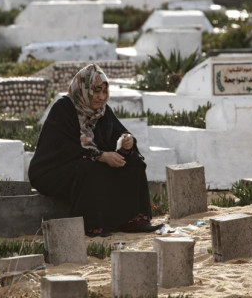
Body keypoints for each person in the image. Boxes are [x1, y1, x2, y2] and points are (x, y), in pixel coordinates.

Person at [28, 64, 161, 237]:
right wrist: (100, 156)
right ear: (84, 89)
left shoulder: (102, 111)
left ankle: (133, 218)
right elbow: (64, 148)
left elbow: (117, 134)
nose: (101, 97)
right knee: (88, 167)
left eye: (104, 92)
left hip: (87, 166)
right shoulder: (63, 108)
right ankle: (91, 225)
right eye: (96, 91)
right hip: (52, 171)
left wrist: (126, 142)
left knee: (134, 161)